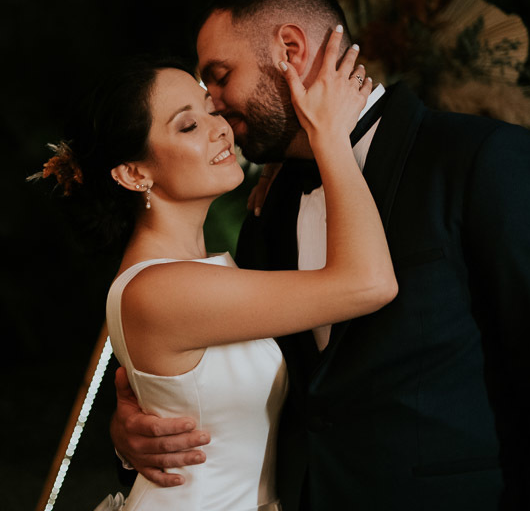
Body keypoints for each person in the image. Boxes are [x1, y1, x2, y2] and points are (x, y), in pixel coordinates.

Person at [110, 0, 530, 510]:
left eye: (221, 76)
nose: (216, 105)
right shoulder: (268, 210)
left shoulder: (479, 160)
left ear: (289, 49)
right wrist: (138, 419)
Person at [36, 29, 396, 510]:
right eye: (188, 126)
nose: (220, 128)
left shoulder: (207, 266)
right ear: (134, 173)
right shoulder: (161, 288)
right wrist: (327, 135)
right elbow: (368, 283)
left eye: (211, 110)